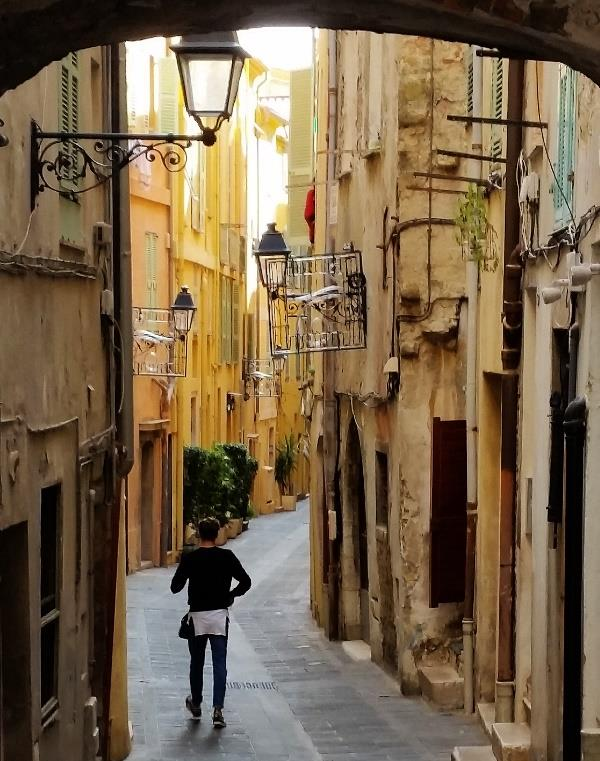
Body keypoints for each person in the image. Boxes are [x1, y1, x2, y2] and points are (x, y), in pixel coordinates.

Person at [170, 516, 251, 728]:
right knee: (219, 663)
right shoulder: (227, 557)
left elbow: (175, 587)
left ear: (198, 533)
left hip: (197, 616)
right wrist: (230, 595)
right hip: (218, 616)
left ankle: (196, 703)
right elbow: (246, 581)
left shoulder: (191, 558)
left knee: (196, 662)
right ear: (216, 534)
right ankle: (218, 710)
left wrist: (186, 574)